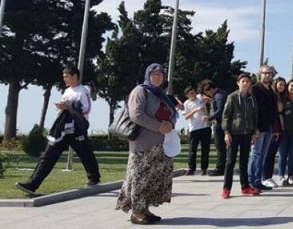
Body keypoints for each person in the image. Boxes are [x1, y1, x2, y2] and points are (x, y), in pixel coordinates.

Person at [16, 65, 101, 195]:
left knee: (86, 155)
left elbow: (86, 109)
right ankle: (32, 185)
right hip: (62, 130)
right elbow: (65, 107)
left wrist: (68, 106)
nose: (65, 80)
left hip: (77, 130)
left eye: (67, 77)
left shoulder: (83, 91)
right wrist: (62, 107)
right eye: (64, 77)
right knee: (48, 156)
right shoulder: (67, 92)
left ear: (75, 76)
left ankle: (94, 178)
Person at [115, 64, 178, 224]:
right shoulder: (140, 91)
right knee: (140, 177)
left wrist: (170, 124)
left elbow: (172, 114)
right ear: (147, 75)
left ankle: (145, 209)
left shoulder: (162, 95)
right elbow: (136, 114)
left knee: (153, 178)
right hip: (143, 143)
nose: (157, 77)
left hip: (161, 145)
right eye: (154, 74)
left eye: (160, 74)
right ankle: (136, 212)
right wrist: (158, 127)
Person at [221, 73, 261, 199]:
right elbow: (226, 116)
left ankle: (245, 187)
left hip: (247, 133)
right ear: (238, 83)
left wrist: (254, 132)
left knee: (244, 161)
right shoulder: (232, 97)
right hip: (234, 133)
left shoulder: (252, 98)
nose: (245, 83)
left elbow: (255, 116)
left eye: (248, 81)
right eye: (243, 81)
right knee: (230, 162)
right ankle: (226, 188)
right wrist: (226, 132)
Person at [249, 65, 277, 191]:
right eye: (265, 73)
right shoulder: (255, 89)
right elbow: (253, 110)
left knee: (263, 155)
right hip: (258, 128)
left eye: (269, 73)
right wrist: (254, 128)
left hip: (268, 127)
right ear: (260, 74)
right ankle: (251, 182)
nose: (267, 75)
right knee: (255, 154)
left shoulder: (271, 91)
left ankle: (258, 180)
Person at [261, 76, 287, 188]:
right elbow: (273, 114)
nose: (281, 86)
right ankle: (265, 177)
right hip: (274, 128)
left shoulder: (281, 97)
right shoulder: (273, 96)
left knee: (271, 154)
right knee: (268, 154)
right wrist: (275, 130)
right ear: (275, 84)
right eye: (279, 84)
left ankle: (269, 176)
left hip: (280, 128)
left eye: (283, 85)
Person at [182, 85, 210, 176]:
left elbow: (209, 97)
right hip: (194, 128)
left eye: (193, 92)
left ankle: (204, 168)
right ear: (187, 95)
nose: (193, 95)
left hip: (205, 127)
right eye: (191, 94)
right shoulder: (186, 103)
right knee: (192, 150)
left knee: (205, 149)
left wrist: (207, 100)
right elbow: (186, 117)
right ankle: (191, 168)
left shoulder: (200, 97)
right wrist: (195, 110)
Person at [201, 80, 227, 176]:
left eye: (207, 93)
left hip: (220, 124)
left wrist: (209, 117)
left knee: (220, 147)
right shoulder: (220, 94)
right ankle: (222, 167)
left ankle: (220, 168)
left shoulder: (219, 96)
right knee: (221, 147)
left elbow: (220, 110)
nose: (208, 95)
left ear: (210, 89)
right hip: (221, 123)